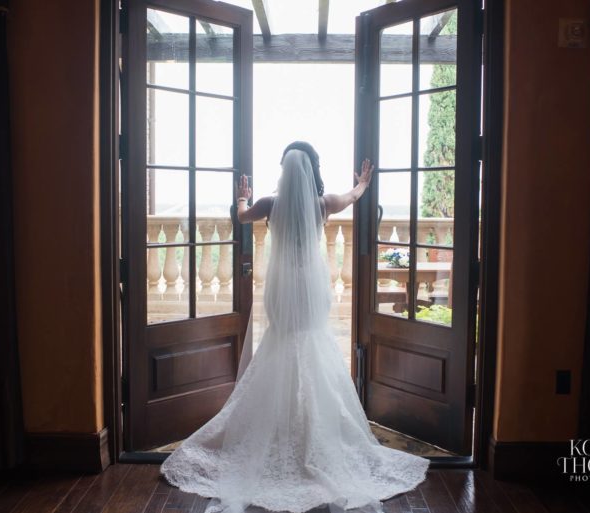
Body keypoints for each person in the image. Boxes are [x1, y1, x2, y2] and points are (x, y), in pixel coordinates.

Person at [161, 142, 429, 513]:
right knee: (313, 354)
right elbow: (352, 196)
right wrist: (364, 182)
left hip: (282, 290)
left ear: (285, 173)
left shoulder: (271, 205)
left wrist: (242, 197)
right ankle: (309, 433)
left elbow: (241, 218)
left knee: (281, 349)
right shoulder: (322, 205)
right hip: (311, 291)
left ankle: (283, 429)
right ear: (313, 172)